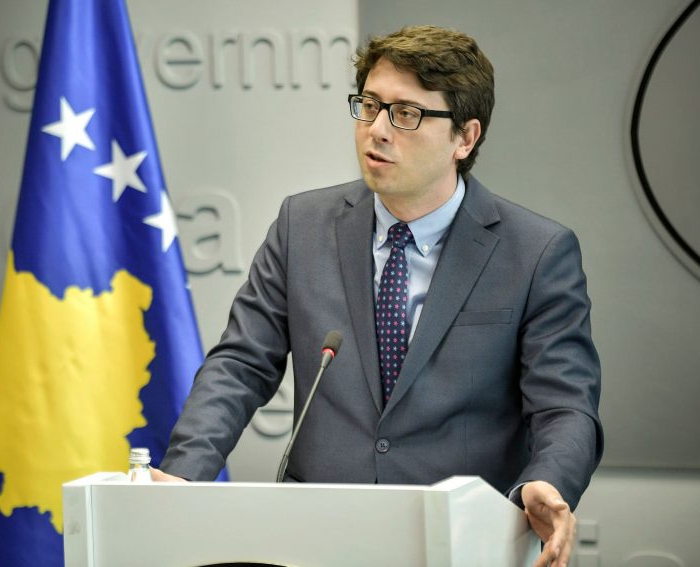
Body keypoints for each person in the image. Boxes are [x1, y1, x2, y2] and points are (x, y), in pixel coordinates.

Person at [155, 25, 602, 567]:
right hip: (316, 537)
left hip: (461, 541)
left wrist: (548, 480)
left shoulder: (536, 252)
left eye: (406, 113)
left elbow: (564, 405)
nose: (378, 130)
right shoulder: (302, 225)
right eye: (369, 106)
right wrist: (182, 477)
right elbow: (241, 364)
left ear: (464, 138)